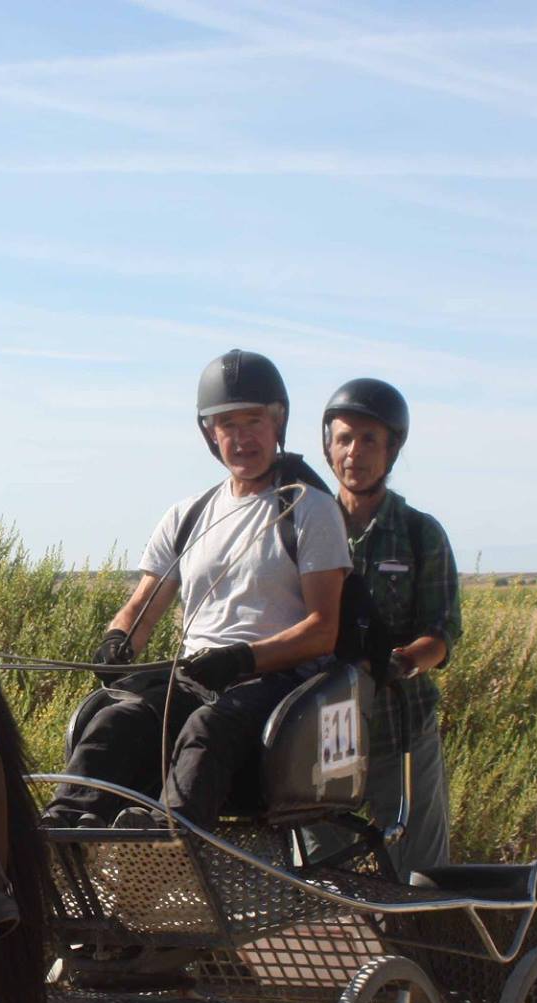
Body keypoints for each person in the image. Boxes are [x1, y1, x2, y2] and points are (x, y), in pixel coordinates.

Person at [44, 349, 350, 832]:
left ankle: (165, 841)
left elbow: (323, 632)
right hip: (199, 676)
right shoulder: (188, 516)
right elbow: (142, 606)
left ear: (278, 422)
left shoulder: (309, 511)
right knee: (115, 723)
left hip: (278, 686)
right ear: (209, 433)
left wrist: (242, 659)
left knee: (208, 727)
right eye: (227, 424)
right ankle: (60, 833)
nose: (242, 437)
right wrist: (117, 640)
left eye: (254, 420)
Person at [322, 378, 461, 877]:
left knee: (420, 873)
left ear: (392, 448)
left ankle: (427, 953)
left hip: (401, 726)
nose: (354, 453)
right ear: (327, 445)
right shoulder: (302, 528)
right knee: (318, 876)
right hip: (324, 730)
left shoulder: (421, 533)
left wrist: (399, 664)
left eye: (369, 440)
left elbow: (443, 634)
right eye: (343, 439)